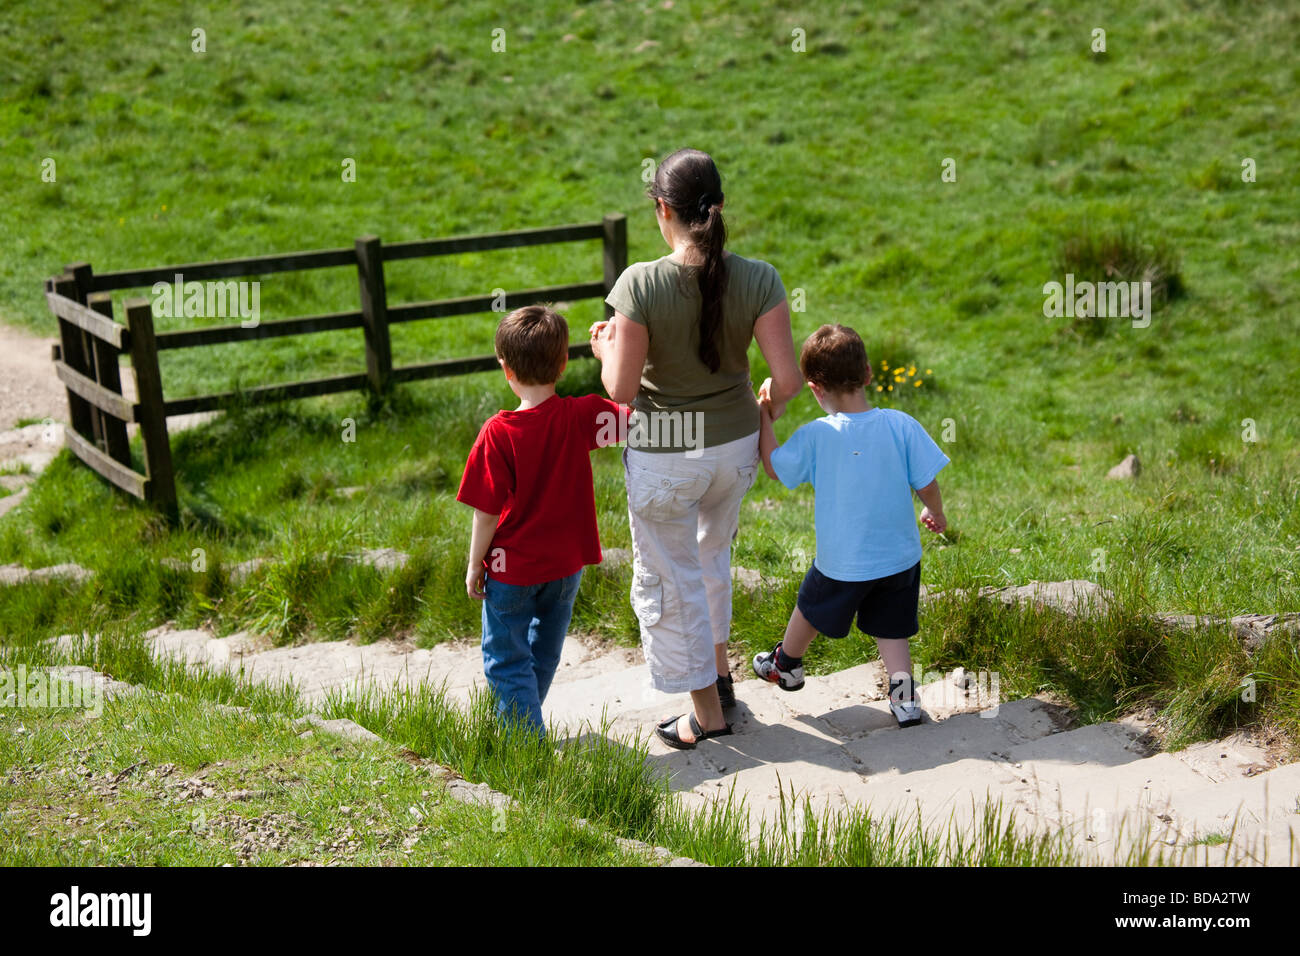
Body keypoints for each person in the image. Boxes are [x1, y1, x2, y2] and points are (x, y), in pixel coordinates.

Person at [590, 147, 803, 750]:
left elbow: (623, 390)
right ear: (720, 205)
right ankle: (721, 673)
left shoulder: (640, 283)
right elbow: (786, 381)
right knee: (710, 560)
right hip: (734, 446)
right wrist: (771, 405)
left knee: (670, 572)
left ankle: (707, 714)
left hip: (665, 449)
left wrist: (605, 349)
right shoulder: (760, 277)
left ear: (662, 209)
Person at [753, 323, 950, 728]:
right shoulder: (901, 424)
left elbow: (774, 468)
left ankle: (786, 664)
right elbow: (927, 480)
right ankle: (905, 700)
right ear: (868, 375)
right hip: (899, 558)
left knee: (810, 606)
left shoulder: (816, 435)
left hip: (842, 562)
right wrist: (935, 513)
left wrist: (764, 419)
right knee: (893, 628)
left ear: (814, 388)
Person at [456, 305, 627, 736]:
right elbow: (641, 425)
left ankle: (525, 746)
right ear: (565, 363)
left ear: (505, 368)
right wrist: (612, 359)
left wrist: (476, 564)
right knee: (544, 653)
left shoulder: (498, 432)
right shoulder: (582, 415)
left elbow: (487, 510)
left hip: (511, 570)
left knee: (506, 659)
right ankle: (522, 726)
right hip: (566, 567)